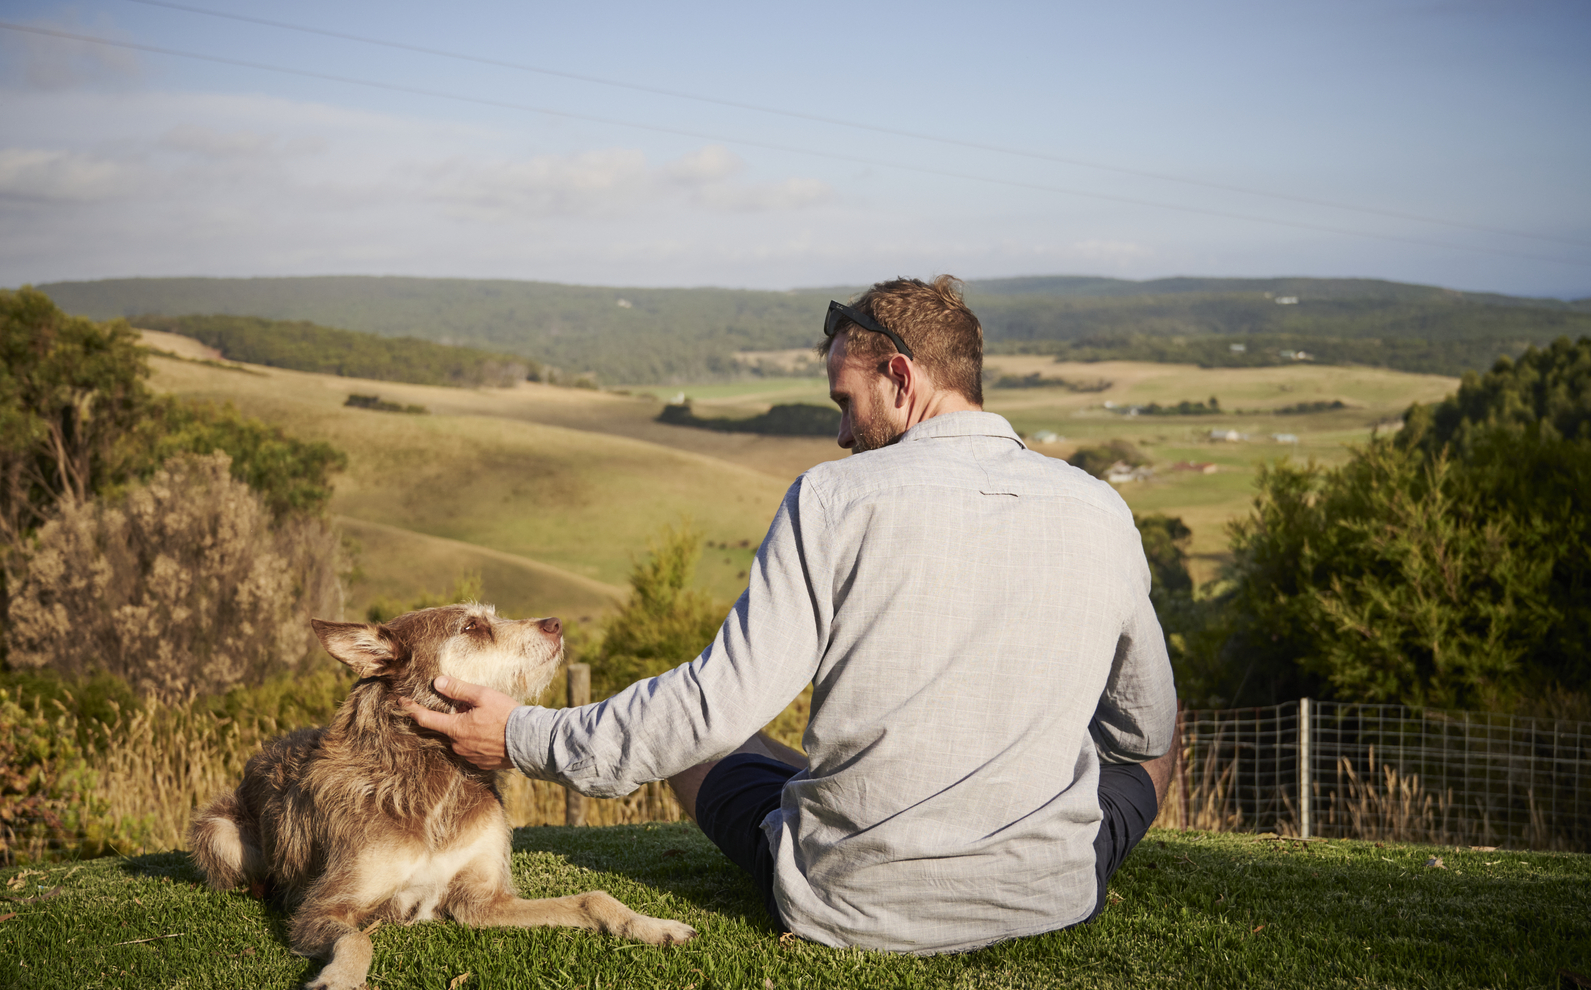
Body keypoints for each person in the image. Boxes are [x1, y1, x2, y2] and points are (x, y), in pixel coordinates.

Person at [405, 276, 1179, 954]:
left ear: (900, 377)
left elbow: (710, 712)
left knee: (706, 743)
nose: (842, 434)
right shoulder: (1101, 509)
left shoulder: (833, 500)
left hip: (851, 905)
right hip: (1051, 895)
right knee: (1154, 751)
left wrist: (523, 736)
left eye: (846, 403)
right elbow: (1144, 735)